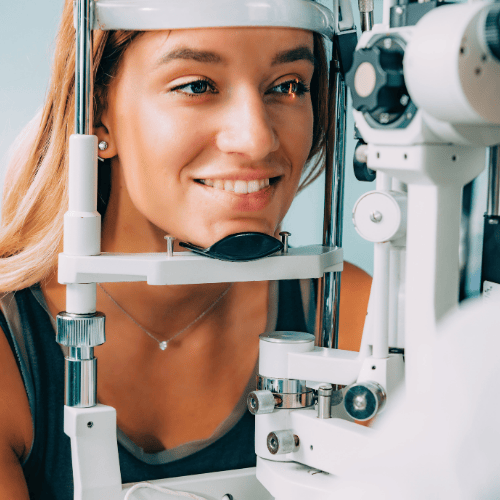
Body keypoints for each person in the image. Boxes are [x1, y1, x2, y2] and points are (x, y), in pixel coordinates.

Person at [0, 1, 371, 498]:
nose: (257, 139)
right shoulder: (11, 355)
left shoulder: (354, 317)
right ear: (97, 115)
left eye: (288, 85)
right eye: (196, 86)